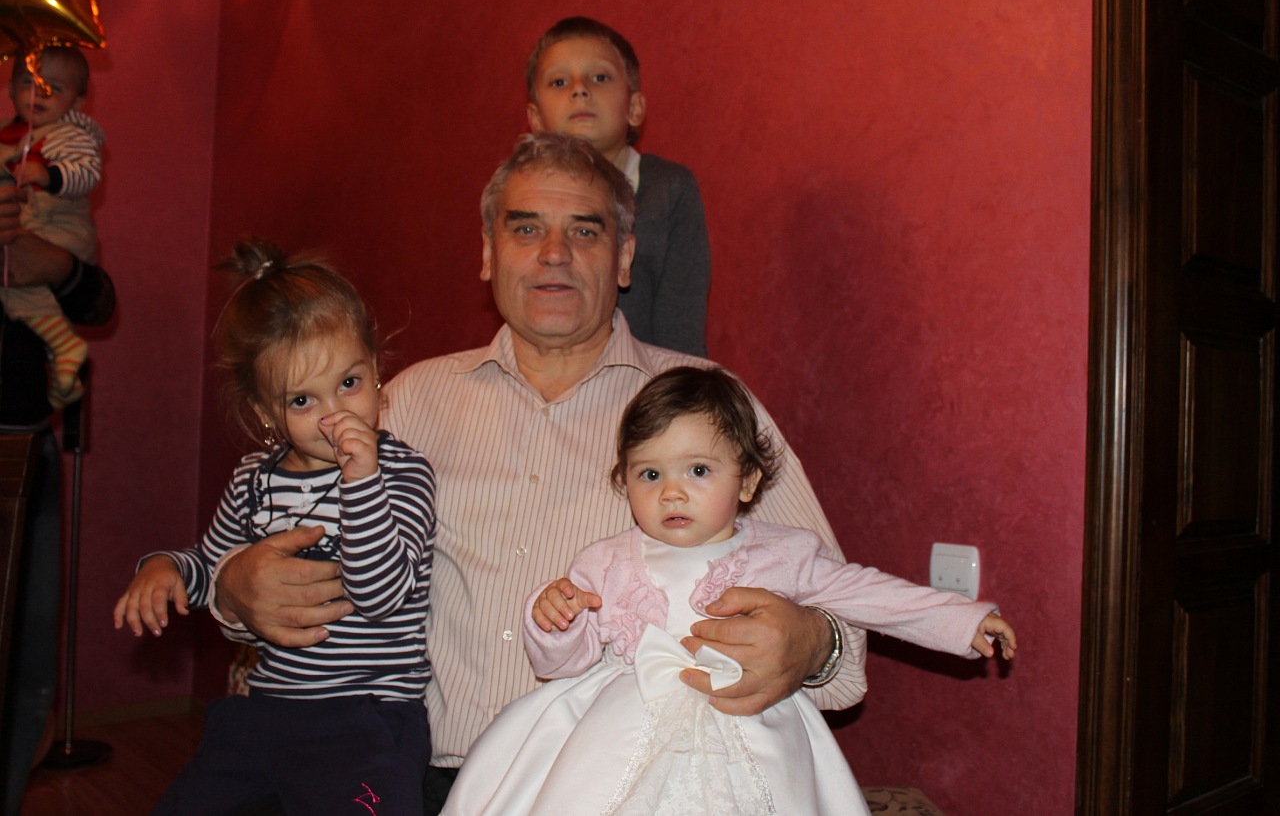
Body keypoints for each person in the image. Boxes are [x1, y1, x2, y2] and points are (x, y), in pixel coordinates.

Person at [213, 133, 864, 815]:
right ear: (488, 252)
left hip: (611, 792)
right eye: (526, 228)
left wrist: (812, 642)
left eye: (585, 230)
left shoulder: (711, 408)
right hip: (410, 779)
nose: (554, 253)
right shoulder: (399, 406)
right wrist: (234, 591)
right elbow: (293, 566)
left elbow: (846, 632)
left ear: (625, 257)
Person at [442, 366, 1018, 815]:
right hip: (617, 732)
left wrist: (960, 619)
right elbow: (562, 666)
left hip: (752, 723)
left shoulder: (786, 553)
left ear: (747, 481)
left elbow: (869, 594)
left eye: (698, 471)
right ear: (624, 480)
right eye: (650, 474)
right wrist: (554, 621)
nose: (671, 493)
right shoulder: (605, 560)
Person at [113, 239, 436, 816]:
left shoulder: (402, 473)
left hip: (366, 720)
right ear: (266, 412)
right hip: (266, 710)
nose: (334, 415)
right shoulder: (253, 480)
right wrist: (165, 568)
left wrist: (361, 483)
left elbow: (382, 595)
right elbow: (216, 568)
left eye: (349, 383)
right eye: (303, 400)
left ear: (376, 370)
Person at [0, 185, 114, 815]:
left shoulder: (31, 188)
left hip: (27, 446)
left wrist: (56, 265)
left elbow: (101, 301)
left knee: (25, 669)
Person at [526, 17, 710, 357]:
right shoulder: (519, 194)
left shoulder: (669, 190)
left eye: (599, 77)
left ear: (634, 108)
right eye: (559, 81)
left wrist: (680, 387)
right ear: (535, 119)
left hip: (646, 383)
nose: (579, 90)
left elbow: (681, 329)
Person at [0, 46, 105, 407]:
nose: (39, 94)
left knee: (17, 284)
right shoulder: (7, 135)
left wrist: (49, 175)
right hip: (30, 232)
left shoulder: (71, 135)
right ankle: (61, 358)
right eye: (28, 83)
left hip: (60, 232)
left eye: (53, 88)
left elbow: (87, 173)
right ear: (10, 89)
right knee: (17, 290)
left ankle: (62, 347)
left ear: (78, 100)